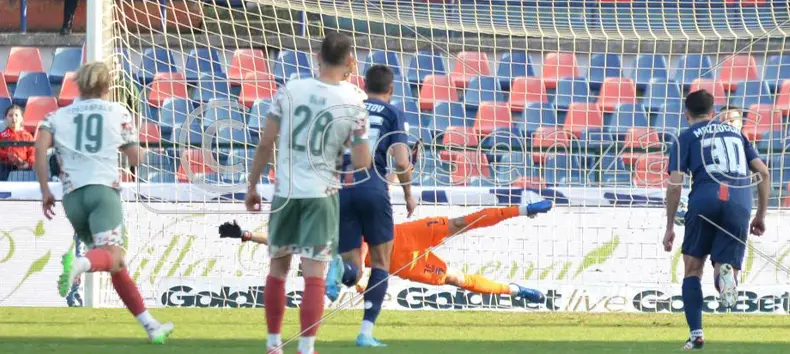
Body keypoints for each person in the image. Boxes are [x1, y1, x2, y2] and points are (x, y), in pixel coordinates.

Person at [243, 32, 373, 354]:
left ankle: (273, 344)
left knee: (278, 268)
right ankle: (306, 347)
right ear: (349, 61)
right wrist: (348, 144)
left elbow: (265, 142)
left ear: (318, 56)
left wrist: (252, 185)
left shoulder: (290, 89)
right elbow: (362, 162)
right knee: (314, 274)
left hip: (285, 192)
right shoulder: (355, 102)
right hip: (321, 193)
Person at [38, 63, 175, 344]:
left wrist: (44, 191)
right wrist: (142, 147)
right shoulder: (118, 112)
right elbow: (136, 158)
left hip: (73, 197)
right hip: (103, 193)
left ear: (78, 84)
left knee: (115, 265)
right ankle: (79, 264)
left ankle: (151, 327)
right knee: (112, 255)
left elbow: (39, 149)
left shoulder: (57, 115)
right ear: (107, 86)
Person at [218, 198, 554, 308]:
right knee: (457, 279)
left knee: (461, 222)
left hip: (404, 234)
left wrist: (247, 234)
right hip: (404, 262)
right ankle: (516, 290)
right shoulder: (331, 262)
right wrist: (361, 280)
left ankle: (524, 209)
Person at [663, 89, 770, 350]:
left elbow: (675, 186)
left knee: (692, 268)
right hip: (738, 202)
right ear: (713, 113)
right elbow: (764, 173)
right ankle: (726, 277)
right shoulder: (736, 133)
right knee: (724, 268)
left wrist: (668, 226)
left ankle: (696, 333)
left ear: (686, 113)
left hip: (705, 199)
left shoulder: (684, 138)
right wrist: (760, 215)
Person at [321, 64, 416, 348]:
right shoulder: (392, 112)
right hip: (372, 187)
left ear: (364, 84)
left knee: (354, 272)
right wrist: (409, 193)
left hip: (342, 187)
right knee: (380, 263)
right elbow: (400, 161)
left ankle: (338, 267)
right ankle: (365, 333)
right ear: (391, 89)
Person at [0, 103, 33, 180]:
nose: (13, 118)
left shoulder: (28, 136)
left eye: (16, 115)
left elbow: (33, 153)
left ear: (21, 118)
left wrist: (28, 164)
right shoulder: (1, 135)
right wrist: (7, 155)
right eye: (10, 115)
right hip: (5, 168)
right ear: (6, 119)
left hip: (24, 168)